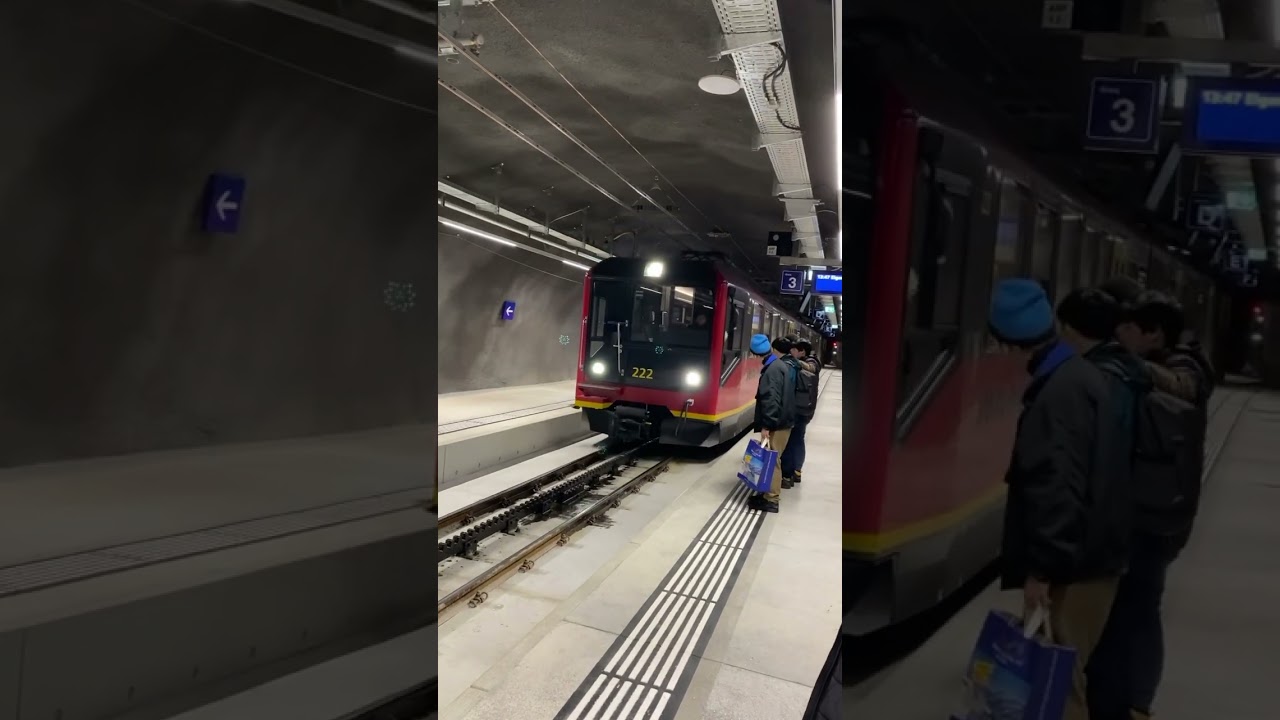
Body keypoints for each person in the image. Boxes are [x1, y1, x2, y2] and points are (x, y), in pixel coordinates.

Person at [987, 280, 1140, 720]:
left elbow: (1058, 488)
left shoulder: (1060, 393)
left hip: (1075, 568)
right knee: (1059, 681)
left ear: (1007, 342)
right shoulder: (1080, 376)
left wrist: (1042, 571)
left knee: (1058, 690)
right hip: (1092, 558)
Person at [1088, 283, 1214, 720]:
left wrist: (1128, 368)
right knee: (1137, 609)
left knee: (1138, 609)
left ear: (1154, 334)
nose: (1119, 335)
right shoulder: (1177, 367)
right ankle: (1131, 699)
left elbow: (1180, 393)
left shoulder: (1177, 375)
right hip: (1158, 517)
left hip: (1149, 521)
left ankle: (1135, 701)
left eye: (1127, 328)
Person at [747, 333, 796, 514]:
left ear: (755, 353)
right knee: (771, 458)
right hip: (783, 421)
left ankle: (772, 500)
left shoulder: (772, 370)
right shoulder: (778, 364)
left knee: (772, 460)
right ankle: (766, 493)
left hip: (778, 423)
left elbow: (771, 399)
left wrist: (766, 426)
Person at [781, 339, 819, 487]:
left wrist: (794, 362)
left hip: (799, 410)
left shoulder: (812, 362)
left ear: (802, 351)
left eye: (794, 350)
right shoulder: (810, 361)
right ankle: (796, 471)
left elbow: (812, 368)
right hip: (805, 409)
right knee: (798, 439)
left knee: (792, 441)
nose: (792, 352)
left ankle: (788, 474)